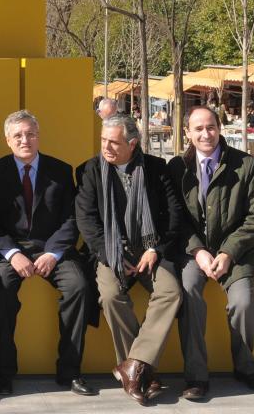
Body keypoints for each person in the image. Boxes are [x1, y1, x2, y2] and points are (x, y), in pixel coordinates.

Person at [0, 110, 97, 397]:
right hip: (12, 250)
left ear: (39, 136)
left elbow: (72, 218)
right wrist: (12, 253)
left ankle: (70, 372)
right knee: (0, 294)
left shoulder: (61, 170)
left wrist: (54, 253)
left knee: (79, 287)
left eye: (31, 134)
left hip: (53, 249)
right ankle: (3, 373)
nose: (25, 140)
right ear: (7, 140)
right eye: (18, 135)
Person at [75, 114, 183, 406]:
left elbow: (174, 216)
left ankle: (132, 366)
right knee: (110, 295)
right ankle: (142, 370)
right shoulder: (89, 170)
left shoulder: (157, 170)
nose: (106, 147)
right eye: (103, 140)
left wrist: (155, 249)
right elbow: (86, 221)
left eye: (114, 142)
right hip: (110, 251)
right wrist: (111, 254)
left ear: (133, 144)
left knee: (171, 291)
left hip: (150, 248)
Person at [168, 106, 254, 401]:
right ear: (187, 132)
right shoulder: (177, 168)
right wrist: (197, 250)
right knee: (189, 295)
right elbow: (175, 219)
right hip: (192, 253)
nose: (205, 134)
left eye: (211, 127)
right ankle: (196, 376)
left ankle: (246, 367)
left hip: (237, 253)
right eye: (198, 129)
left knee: (243, 303)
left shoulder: (245, 164)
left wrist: (227, 252)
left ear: (219, 128)